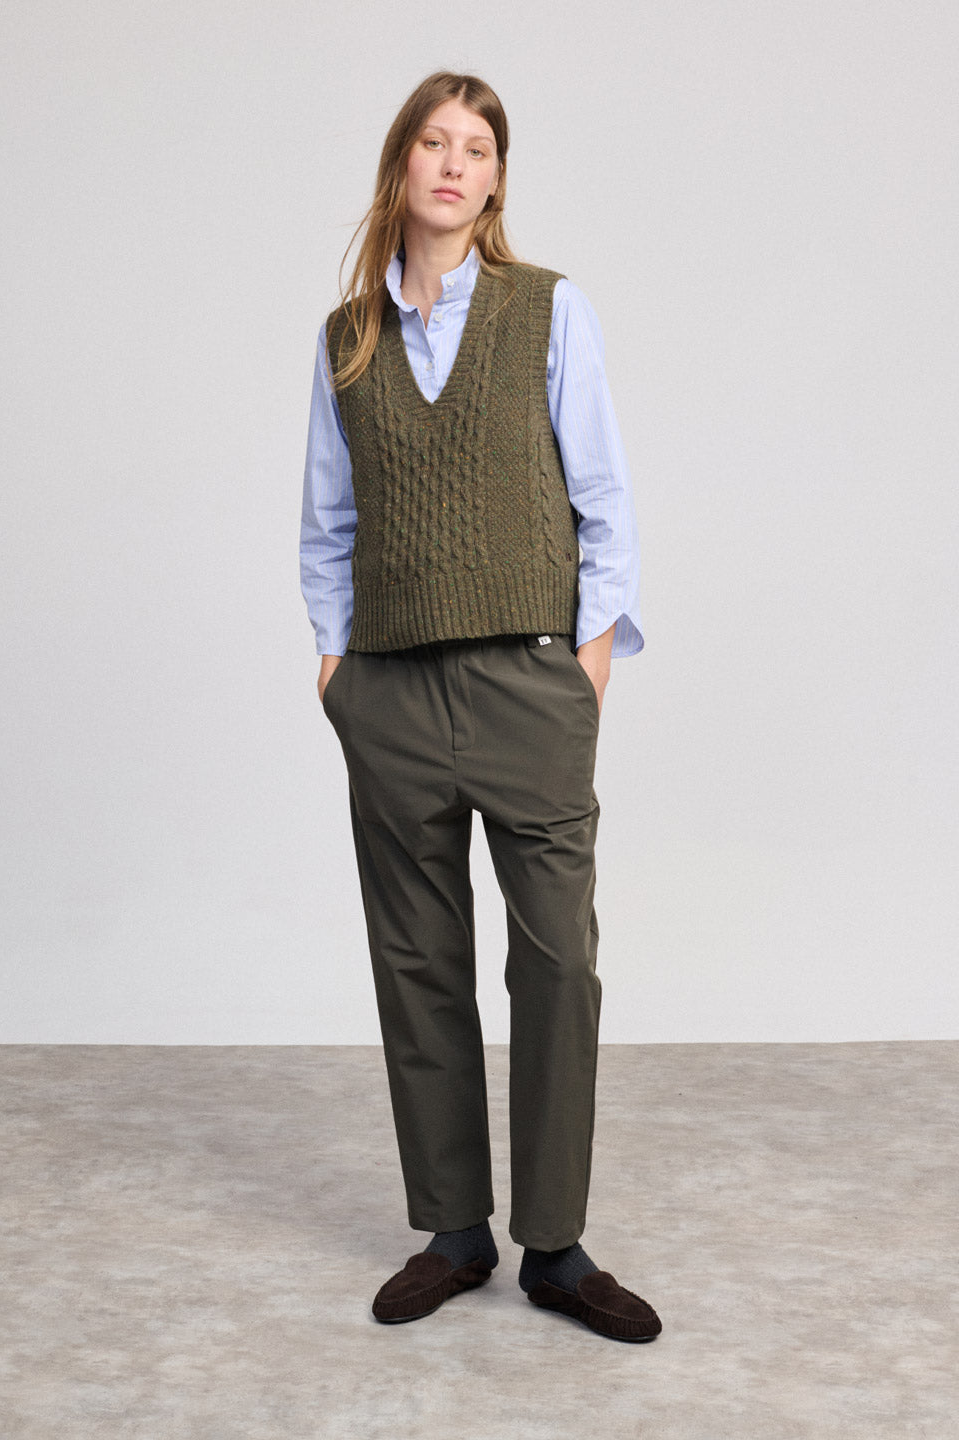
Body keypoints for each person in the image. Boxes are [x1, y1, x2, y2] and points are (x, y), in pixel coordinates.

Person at [299, 70, 661, 1342]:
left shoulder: (548, 311)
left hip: (527, 680)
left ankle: (554, 1246)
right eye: (434, 142)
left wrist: (589, 664)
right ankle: (454, 1232)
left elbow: (604, 497)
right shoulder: (348, 337)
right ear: (401, 165)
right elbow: (328, 520)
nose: (455, 164)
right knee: (418, 962)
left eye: (478, 147)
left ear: (497, 179)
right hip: (391, 689)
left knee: (557, 961)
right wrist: (337, 670)